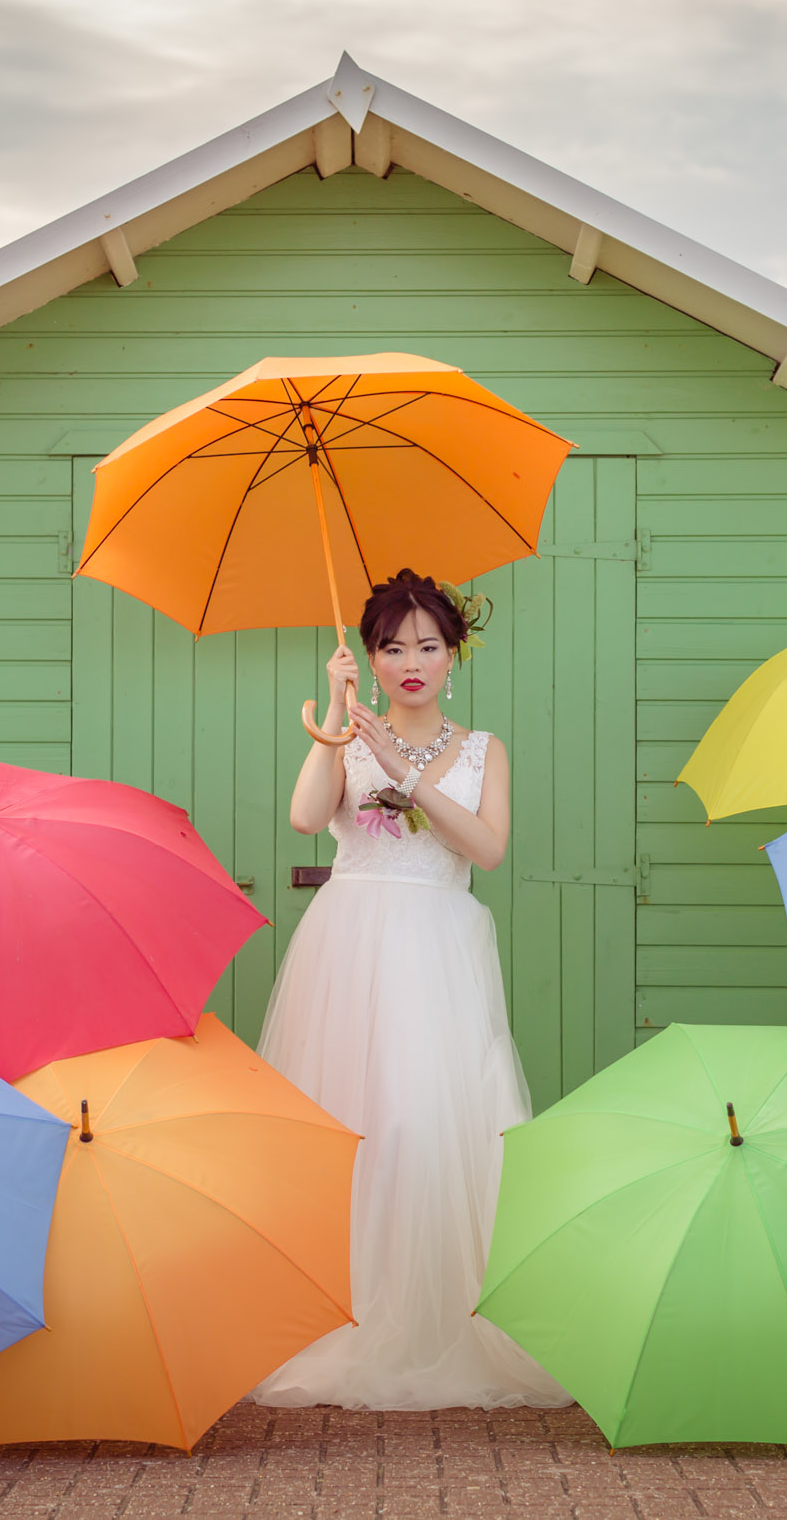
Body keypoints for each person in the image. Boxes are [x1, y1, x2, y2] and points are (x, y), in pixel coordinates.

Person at [251, 568, 570, 1411]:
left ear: (453, 653)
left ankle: (436, 1316)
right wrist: (331, 729)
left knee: (429, 1121)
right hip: (349, 946)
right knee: (353, 1122)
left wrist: (410, 771)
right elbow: (305, 815)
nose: (411, 660)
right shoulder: (347, 735)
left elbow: (489, 850)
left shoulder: (483, 749)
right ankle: (346, 1311)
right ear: (371, 657)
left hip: (437, 945)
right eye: (392, 646)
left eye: (427, 643)